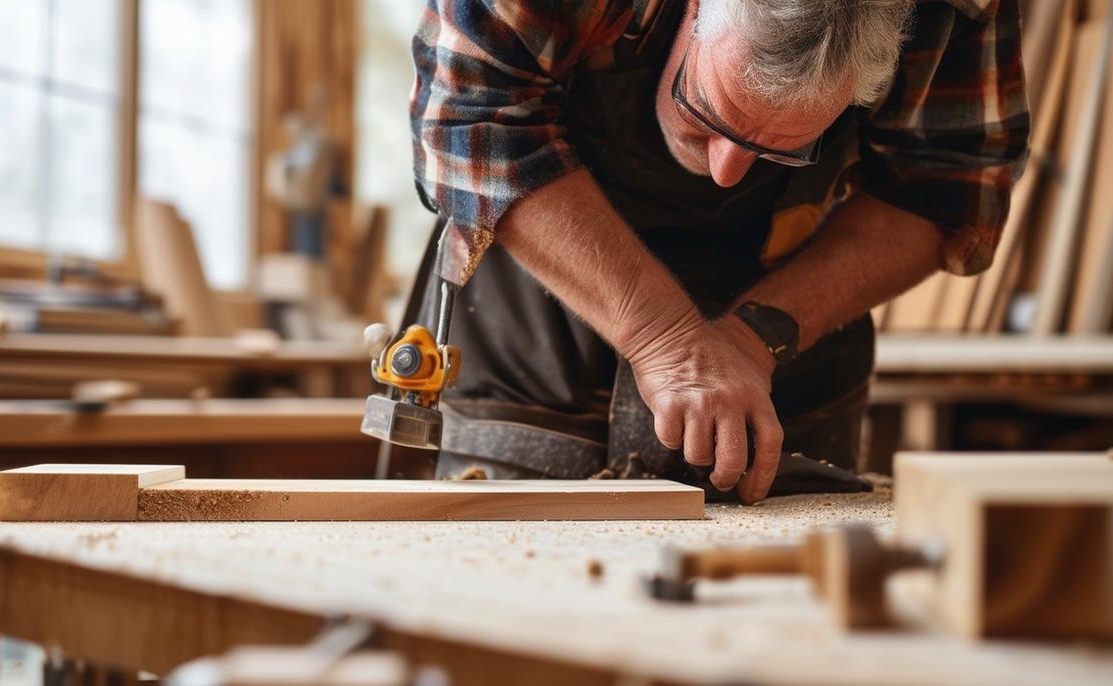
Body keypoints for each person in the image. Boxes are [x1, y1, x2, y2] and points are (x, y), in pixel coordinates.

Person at [405, 0, 1029, 503]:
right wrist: (666, 338)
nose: (728, 172)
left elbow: (947, 185)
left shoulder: (956, 9)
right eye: (705, 114)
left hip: (792, 328)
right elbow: (468, 122)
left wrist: (756, 338)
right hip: (535, 326)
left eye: (784, 145)